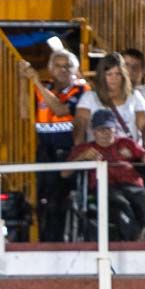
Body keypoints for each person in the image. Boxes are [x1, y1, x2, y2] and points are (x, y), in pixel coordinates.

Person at [65, 108, 145, 242]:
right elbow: (64, 173)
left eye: (108, 129)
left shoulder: (126, 143)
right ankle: (136, 239)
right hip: (104, 187)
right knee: (121, 205)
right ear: (93, 132)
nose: (105, 133)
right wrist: (82, 158)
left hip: (132, 185)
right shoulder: (85, 149)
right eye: (101, 130)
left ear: (115, 129)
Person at [19, 49, 88, 241]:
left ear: (76, 69)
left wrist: (35, 83)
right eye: (57, 65)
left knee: (63, 199)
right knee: (44, 199)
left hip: (69, 150)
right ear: (50, 69)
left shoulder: (82, 90)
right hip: (45, 150)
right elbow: (25, 112)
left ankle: (63, 240)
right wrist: (24, 81)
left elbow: (59, 109)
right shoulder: (45, 87)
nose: (63, 70)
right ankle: (45, 239)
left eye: (68, 66)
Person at [73, 52, 145, 149]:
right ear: (102, 75)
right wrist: (81, 150)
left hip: (129, 156)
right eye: (109, 74)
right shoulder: (89, 97)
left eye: (117, 74)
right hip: (98, 155)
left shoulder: (134, 96)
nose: (113, 78)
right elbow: (79, 126)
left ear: (124, 75)